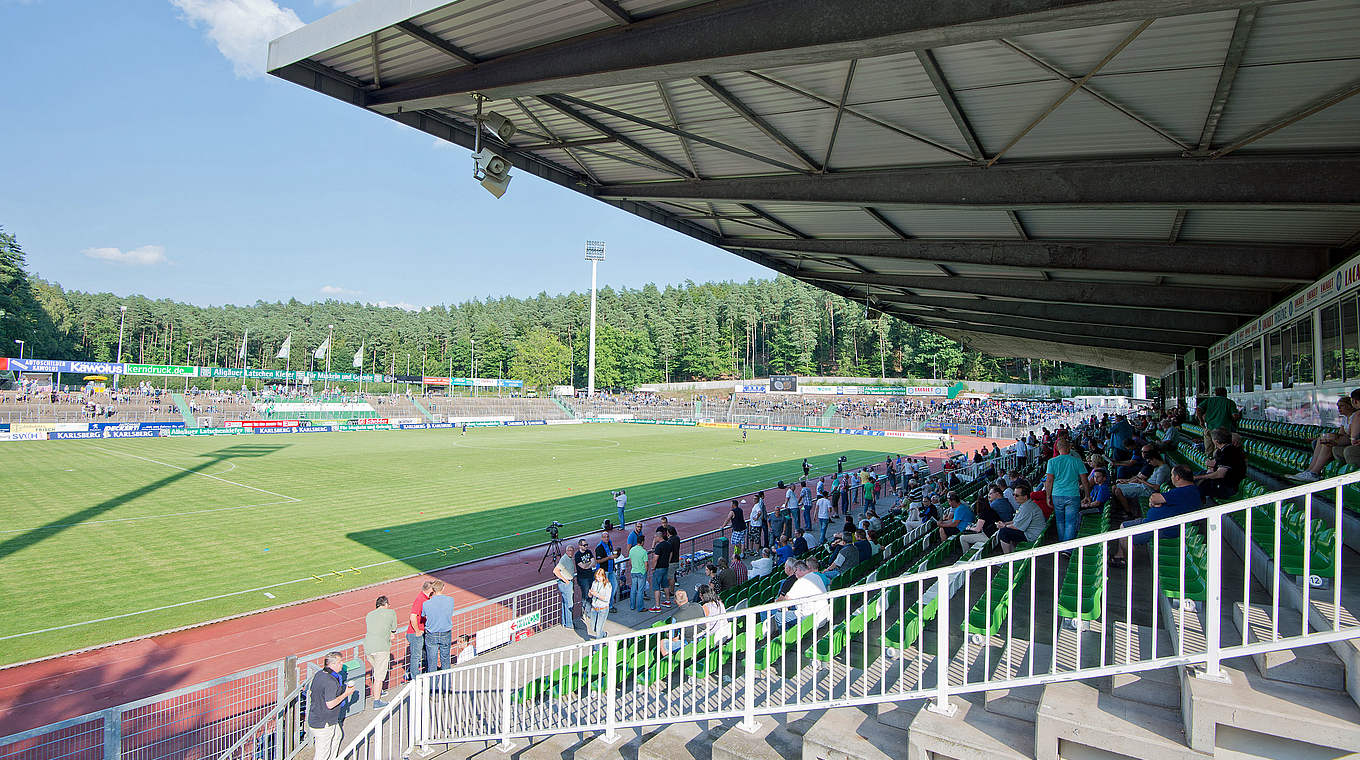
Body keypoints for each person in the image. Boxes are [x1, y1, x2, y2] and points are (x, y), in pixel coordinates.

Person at [1111, 466, 1202, 565]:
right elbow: (1156, 501)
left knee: (1125, 531)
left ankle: (1125, 561)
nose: (1171, 477)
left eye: (1172, 475)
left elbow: (1154, 498)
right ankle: (1120, 556)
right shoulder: (1190, 490)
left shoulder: (1184, 491)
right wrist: (1155, 503)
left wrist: (1155, 503)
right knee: (1124, 526)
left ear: (1177, 477)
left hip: (1163, 528)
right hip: (1160, 524)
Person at [308, 652, 356, 760]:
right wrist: (346, 694)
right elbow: (330, 704)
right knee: (322, 753)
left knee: (337, 736)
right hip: (324, 723)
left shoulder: (319, 674)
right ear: (332, 664)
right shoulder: (330, 681)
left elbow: (312, 692)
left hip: (318, 718)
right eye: (340, 662)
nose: (342, 664)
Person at [1044, 437, 1090, 545]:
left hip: (1057, 495)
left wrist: (1048, 496)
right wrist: (1087, 495)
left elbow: (1049, 481)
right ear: (1069, 447)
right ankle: (1067, 548)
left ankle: (1062, 545)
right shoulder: (1077, 461)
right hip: (1073, 495)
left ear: (1057, 448)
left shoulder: (1052, 462)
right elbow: (1084, 480)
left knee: (1060, 521)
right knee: (1070, 522)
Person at [364, 595, 399, 708]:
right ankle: (377, 701)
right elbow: (393, 628)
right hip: (381, 647)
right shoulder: (391, 613)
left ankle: (378, 691)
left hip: (368, 647)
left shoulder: (369, 615)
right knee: (379, 675)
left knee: (376, 670)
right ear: (386, 604)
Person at [1195, 428, 1246, 502]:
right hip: (1225, 483)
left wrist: (1198, 477)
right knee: (1198, 477)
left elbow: (1220, 474)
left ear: (1216, 441)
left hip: (1228, 487)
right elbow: (1215, 464)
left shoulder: (1228, 451)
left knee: (1199, 486)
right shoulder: (1225, 450)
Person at [998, 483, 1045, 553]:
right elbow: (1016, 521)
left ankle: (1007, 558)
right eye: (1013, 494)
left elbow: (1017, 527)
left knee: (1003, 532)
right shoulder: (1026, 504)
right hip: (1032, 532)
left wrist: (1004, 526)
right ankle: (1012, 552)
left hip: (1032, 536)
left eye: (1017, 495)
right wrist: (1005, 523)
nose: (1014, 497)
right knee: (1007, 530)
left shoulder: (1027, 508)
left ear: (1025, 497)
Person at [421, 580, 455, 671]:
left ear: (432, 589)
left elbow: (423, 615)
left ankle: (433, 685)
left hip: (432, 633)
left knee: (432, 662)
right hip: (445, 632)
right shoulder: (450, 600)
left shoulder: (426, 604)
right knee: (446, 661)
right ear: (443, 588)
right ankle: (446, 684)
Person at [404, 581, 433, 680]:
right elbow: (413, 616)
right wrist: (417, 630)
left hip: (420, 631)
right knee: (416, 656)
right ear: (430, 590)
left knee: (424, 653)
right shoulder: (420, 600)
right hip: (415, 633)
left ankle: (423, 672)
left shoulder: (424, 599)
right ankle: (415, 677)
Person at [648, 529, 672, 612]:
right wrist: (667, 562)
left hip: (658, 569)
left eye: (655, 537)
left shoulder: (659, 546)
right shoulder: (668, 544)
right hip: (665, 567)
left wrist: (653, 567)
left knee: (656, 587)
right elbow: (671, 554)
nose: (654, 539)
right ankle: (668, 601)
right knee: (665, 585)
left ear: (658, 537)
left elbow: (655, 559)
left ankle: (657, 606)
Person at [553, 545, 578, 628]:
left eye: (572, 550)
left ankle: (565, 622)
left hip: (567, 583)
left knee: (565, 603)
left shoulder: (568, 559)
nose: (571, 552)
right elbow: (556, 571)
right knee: (569, 604)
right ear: (566, 551)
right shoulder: (564, 559)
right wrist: (566, 580)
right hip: (566, 584)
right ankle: (569, 624)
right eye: (569, 550)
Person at [595, 531, 619, 613]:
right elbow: (598, 561)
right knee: (604, 589)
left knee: (614, 586)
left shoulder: (609, 543)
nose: (606, 538)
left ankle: (609, 604)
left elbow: (611, 555)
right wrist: (609, 558)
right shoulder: (599, 547)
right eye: (604, 537)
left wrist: (613, 565)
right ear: (602, 538)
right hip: (604, 572)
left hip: (611, 570)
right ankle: (605, 606)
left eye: (607, 537)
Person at [586, 568, 613, 639]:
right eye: (596, 577)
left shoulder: (608, 585)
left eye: (599, 577)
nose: (598, 579)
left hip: (603, 609)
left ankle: (597, 648)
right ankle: (603, 634)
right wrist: (590, 593)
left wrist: (596, 594)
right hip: (594, 608)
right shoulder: (594, 583)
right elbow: (590, 595)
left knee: (598, 629)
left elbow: (607, 599)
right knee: (593, 627)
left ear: (603, 576)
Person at [628, 534, 650, 613]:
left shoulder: (632, 550)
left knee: (633, 589)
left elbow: (630, 561)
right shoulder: (644, 552)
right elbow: (646, 564)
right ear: (643, 542)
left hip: (634, 571)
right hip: (641, 572)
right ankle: (640, 607)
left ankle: (632, 605)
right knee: (640, 590)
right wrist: (645, 571)